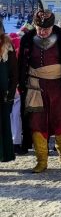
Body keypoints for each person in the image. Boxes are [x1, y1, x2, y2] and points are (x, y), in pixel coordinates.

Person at [18, 2, 61, 173]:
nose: (42, 32)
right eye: (39, 28)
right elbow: (20, 64)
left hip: (58, 87)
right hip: (35, 87)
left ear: (52, 26)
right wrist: (21, 82)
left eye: (46, 29)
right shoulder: (27, 40)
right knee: (36, 122)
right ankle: (42, 160)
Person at [1, 19, 17, 162]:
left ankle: (3, 155)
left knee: (3, 126)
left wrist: (11, 93)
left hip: (3, 94)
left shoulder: (8, 46)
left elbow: (13, 73)